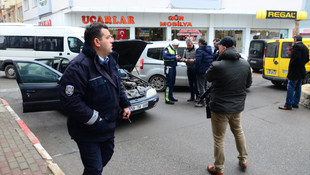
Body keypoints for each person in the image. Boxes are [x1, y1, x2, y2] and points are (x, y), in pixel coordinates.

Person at [58, 23, 131, 175]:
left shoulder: (111, 61)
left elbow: (118, 85)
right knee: (94, 168)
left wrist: (125, 105)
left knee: (105, 158)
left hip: (108, 127)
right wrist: (94, 118)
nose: (113, 40)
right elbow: (70, 101)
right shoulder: (78, 67)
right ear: (97, 42)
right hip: (87, 130)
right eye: (109, 37)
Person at [205, 36, 252, 175]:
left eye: (219, 46)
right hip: (237, 106)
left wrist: (218, 60)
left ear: (224, 48)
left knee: (219, 138)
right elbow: (248, 84)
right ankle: (243, 159)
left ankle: (219, 169)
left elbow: (207, 77)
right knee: (238, 131)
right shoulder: (245, 64)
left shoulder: (217, 65)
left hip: (219, 107)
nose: (217, 47)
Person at [279, 35, 309, 110]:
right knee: (298, 87)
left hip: (295, 71)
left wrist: (291, 65)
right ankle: (295, 103)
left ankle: (288, 105)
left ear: (295, 40)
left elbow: (296, 58)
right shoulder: (305, 47)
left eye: (294, 40)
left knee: (290, 87)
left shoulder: (297, 46)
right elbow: (307, 59)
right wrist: (301, 64)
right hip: (301, 71)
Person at [195, 38, 213, 107]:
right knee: (205, 86)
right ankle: (207, 101)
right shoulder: (209, 49)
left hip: (201, 70)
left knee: (201, 87)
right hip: (207, 70)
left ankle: (203, 102)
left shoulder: (200, 50)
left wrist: (196, 69)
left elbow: (198, 61)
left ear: (200, 43)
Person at [163, 39, 181, 104]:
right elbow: (165, 57)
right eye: (177, 45)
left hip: (173, 68)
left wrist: (179, 59)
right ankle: (167, 98)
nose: (178, 47)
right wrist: (174, 58)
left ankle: (171, 96)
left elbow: (174, 57)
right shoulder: (167, 49)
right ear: (174, 45)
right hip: (169, 68)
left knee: (172, 83)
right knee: (168, 84)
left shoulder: (174, 49)